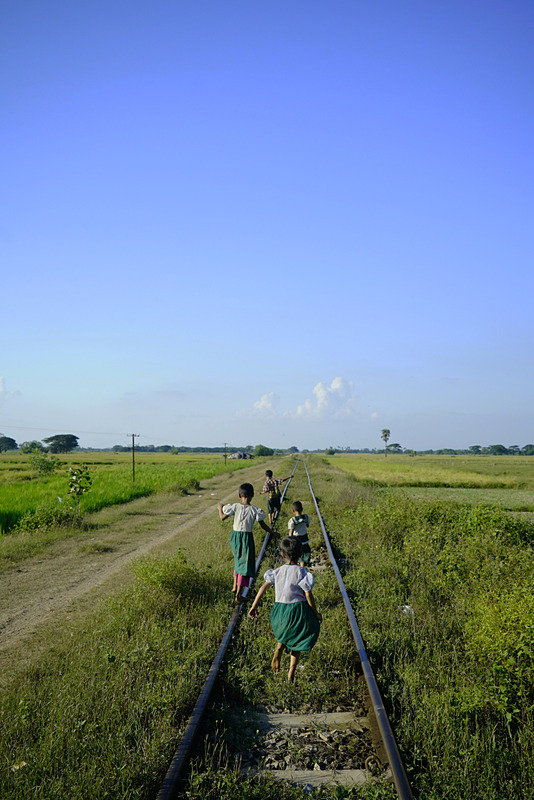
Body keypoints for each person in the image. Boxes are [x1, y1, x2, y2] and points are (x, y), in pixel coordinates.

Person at [248, 536, 322, 682]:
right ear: (300, 555)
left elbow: (263, 587)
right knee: (300, 637)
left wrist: (253, 606)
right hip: (296, 611)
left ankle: (279, 647)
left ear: (282, 555)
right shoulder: (302, 572)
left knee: (285, 631)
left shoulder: (276, 572)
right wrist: (316, 613)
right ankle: (291, 674)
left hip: (278, 613)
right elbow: (308, 595)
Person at [218, 483, 275, 604]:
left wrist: (220, 507)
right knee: (245, 566)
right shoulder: (254, 510)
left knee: (238, 560)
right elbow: (263, 525)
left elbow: (222, 517)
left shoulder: (234, 507)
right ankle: (238, 595)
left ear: (239, 495)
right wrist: (273, 533)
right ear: (252, 495)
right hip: (246, 538)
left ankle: (235, 586)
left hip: (235, 537)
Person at [288, 500, 312, 567]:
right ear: (302, 509)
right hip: (304, 537)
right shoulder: (306, 517)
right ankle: (304, 564)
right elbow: (307, 525)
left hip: (296, 538)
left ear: (293, 511)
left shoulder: (292, 520)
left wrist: (290, 539)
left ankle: (300, 565)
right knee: (306, 551)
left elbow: (291, 531)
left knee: (298, 552)